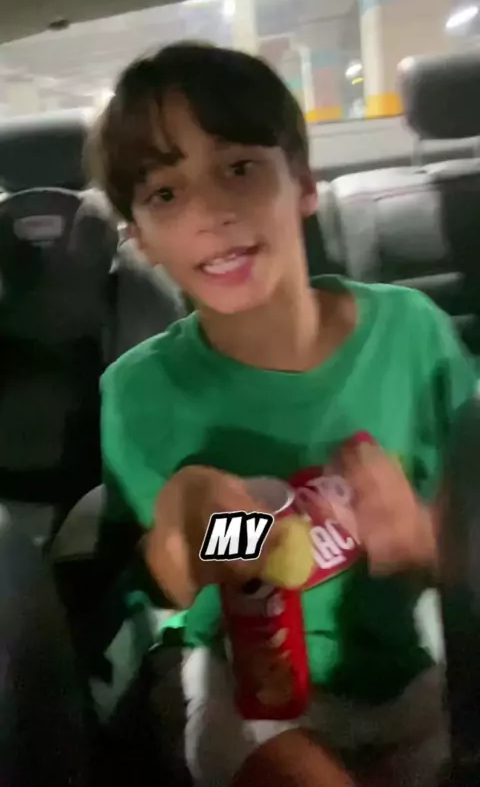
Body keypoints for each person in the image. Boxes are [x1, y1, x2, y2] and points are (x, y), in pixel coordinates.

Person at [91, 41, 477, 787]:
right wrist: (200, 518)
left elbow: (471, 521)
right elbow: (180, 580)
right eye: (165, 194)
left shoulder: (412, 333)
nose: (210, 212)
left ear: (302, 184)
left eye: (239, 168)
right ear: (140, 240)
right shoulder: (140, 391)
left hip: (412, 659)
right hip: (253, 682)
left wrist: (430, 544)